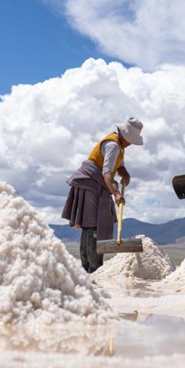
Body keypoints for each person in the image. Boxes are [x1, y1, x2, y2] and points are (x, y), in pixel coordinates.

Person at [61, 117, 144, 273]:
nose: (131, 144)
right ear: (125, 135)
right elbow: (107, 173)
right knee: (93, 226)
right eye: (131, 140)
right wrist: (117, 194)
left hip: (95, 185)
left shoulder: (119, 145)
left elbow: (118, 166)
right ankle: (93, 268)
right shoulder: (113, 145)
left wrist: (125, 174)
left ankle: (89, 267)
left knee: (92, 226)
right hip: (91, 185)